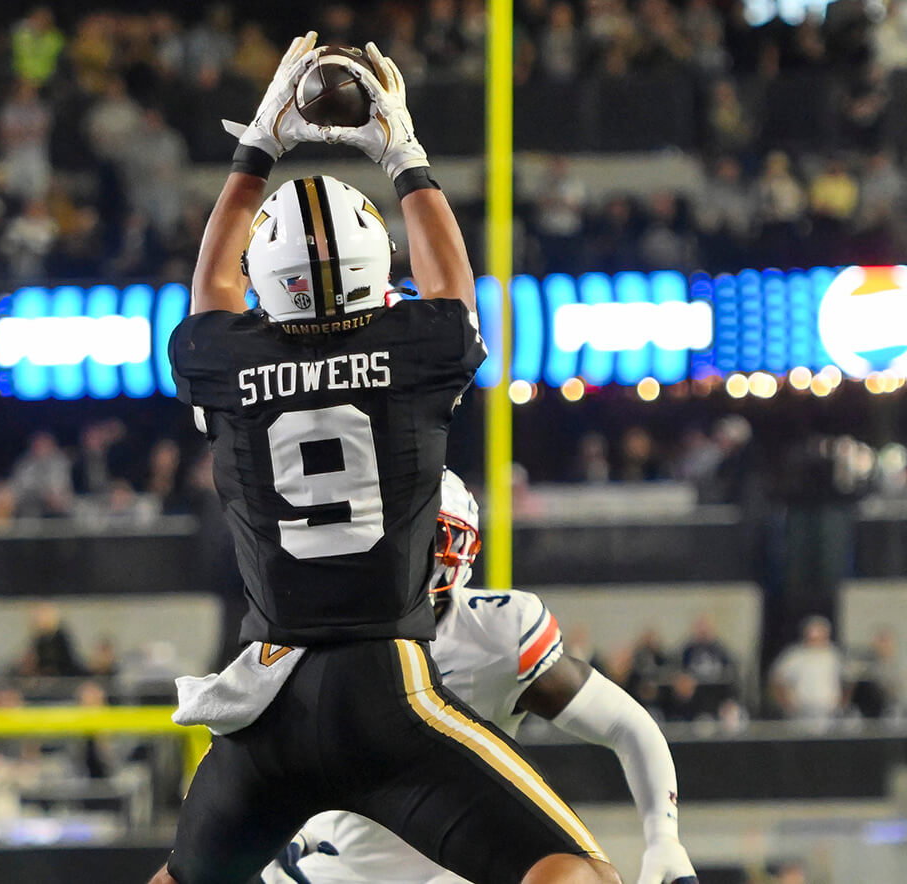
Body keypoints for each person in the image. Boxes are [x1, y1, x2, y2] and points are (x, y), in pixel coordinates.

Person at [155, 34, 618, 884]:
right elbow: (452, 292)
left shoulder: (225, 358)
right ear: (379, 269)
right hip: (385, 693)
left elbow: (212, 292)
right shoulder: (414, 348)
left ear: (266, 276)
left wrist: (258, 144)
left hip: (268, 702)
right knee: (572, 874)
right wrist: (404, 151)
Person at [263, 472, 695, 884]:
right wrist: (285, 827)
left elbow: (626, 725)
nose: (403, 552)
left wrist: (663, 835)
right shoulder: (318, 633)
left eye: (422, 536)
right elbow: (276, 763)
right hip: (337, 871)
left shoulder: (497, 636)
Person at [770, 617, 846, 722]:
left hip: (828, 713)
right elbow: (776, 681)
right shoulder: (794, 655)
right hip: (799, 713)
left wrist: (841, 703)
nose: (816, 639)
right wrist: (785, 704)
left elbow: (847, 680)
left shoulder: (834, 655)